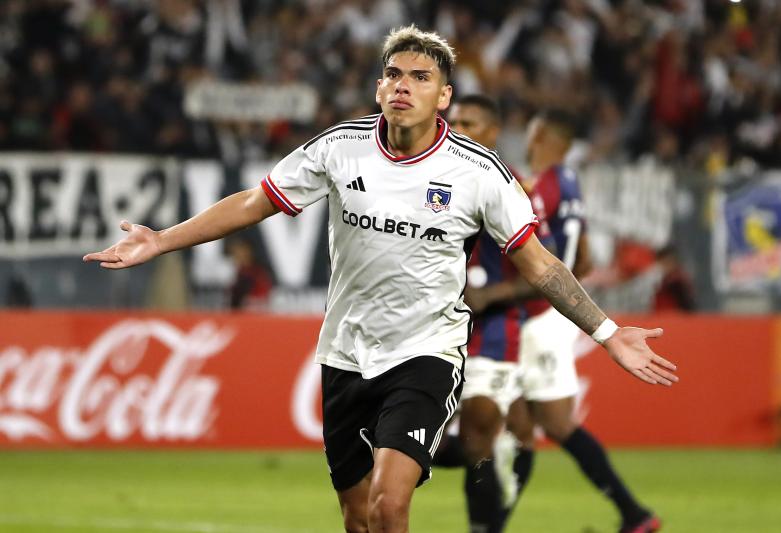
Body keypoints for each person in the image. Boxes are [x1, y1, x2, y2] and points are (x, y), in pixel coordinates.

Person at [84, 26, 678, 533]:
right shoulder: (341, 149)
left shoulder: (479, 173)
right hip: (344, 354)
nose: (402, 84)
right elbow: (250, 204)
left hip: (425, 352)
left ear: (443, 96)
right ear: (378, 87)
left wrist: (607, 332)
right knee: (358, 518)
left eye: (420, 77)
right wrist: (161, 239)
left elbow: (541, 263)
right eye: (393, 73)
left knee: (389, 506)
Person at [470, 109, 663, 533]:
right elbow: (584, 258)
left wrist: (497, 292)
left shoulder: (534, 189)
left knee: (545, 425)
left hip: (537, 316)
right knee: (519, 426)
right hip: (552, 312)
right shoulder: (569, 184)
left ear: (536, 133)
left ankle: (634, 513)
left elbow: (539, 258)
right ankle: (632, 513)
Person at [445, 94, 550, 532]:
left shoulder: (513, 190)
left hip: (491, 331)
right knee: (473, 441)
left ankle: (486, 524)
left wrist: (492, 296)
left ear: (492, 133)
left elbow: (546, 271)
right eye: (453, 122)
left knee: (477, 439)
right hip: (435, 327)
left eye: (469, 123)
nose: (457, 130)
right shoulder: (431, 178)